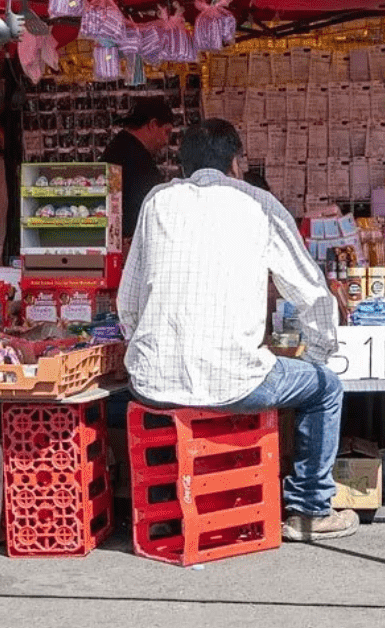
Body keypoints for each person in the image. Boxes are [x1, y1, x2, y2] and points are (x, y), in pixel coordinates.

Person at [117, 118, 353, 542]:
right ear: (236, 163)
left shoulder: (157, 201)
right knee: (326, 388)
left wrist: (145, 347)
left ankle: (169, 507)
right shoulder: (257, 203)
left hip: (151, 383)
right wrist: (319, 354)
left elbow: (128, 301)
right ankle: (310, 511)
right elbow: (311, 292)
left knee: (171, 385)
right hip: (236, 383)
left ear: (183, 166)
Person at [101, 96, 175, 240]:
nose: (167, 141)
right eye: (167, 132)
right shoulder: (136, 159)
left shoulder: (120, 147)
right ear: (152, 125)